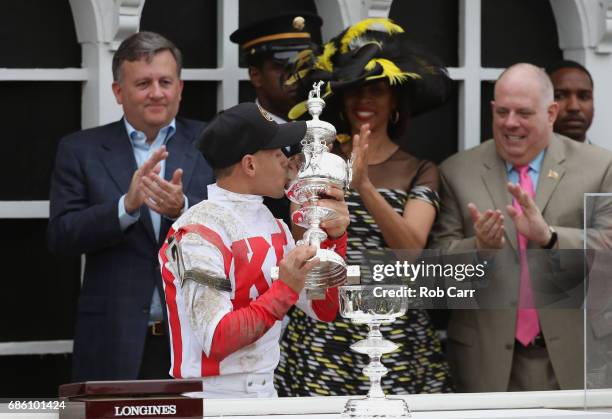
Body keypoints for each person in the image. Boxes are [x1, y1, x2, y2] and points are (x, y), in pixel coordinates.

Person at [276, 18, 454, 396]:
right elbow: (299, 243)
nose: (364, 100)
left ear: (395, 101)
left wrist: (365, 188)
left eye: (376, 90)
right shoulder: (317, 159)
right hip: (324, 321)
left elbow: (410, 251)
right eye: (354, 91)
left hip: (392, 328)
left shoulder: (420, 170)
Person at [430, 63, 612, 392]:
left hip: (576, 359)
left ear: (551, 112)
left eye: (524, 113)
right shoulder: (457, 171)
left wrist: (551, 238)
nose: (511, 123)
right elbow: (437, 272)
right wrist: (479, 249)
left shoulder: (600, 167)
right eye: (502, 112)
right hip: (486, 364)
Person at [47, 31, 214, 381]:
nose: (156, 92)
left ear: (180, 89)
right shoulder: (81, 149)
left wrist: (183, 207)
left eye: (165, 81)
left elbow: (238, 222)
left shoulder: (211, 144)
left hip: (196, 339)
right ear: (118, 92)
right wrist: (126, 206)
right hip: (113, 341)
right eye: (143, 83)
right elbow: (62, 236)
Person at [158, 102, 349, 398]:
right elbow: (217, 338)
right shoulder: (196, 231)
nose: (288, 163)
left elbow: (323, 309)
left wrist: (334, 239)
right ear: (250, 165)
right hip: (210, 398)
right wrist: (285, 288)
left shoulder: (275, 225)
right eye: (278, 153)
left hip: (266, 393)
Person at [230, 12, 323, 225]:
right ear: (255, 75)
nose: (294, 75)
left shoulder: (326, 128)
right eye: (281, 66)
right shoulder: (235, 133)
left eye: (302, 66)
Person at [546, 60, 594, 143]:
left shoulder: (606, 156)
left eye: (584, 97)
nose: (574, 107)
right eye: (559, 96)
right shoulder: (524, 155)